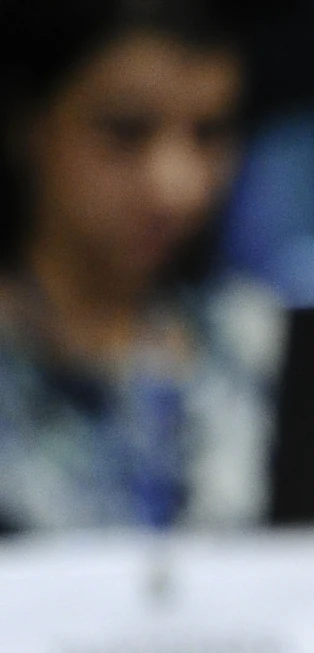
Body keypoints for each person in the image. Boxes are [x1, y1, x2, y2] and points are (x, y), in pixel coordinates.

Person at [0, 0, 277, 535]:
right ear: (28, 125)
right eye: (125, 132)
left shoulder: (257, 345)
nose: (174, 187)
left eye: (209, 134)